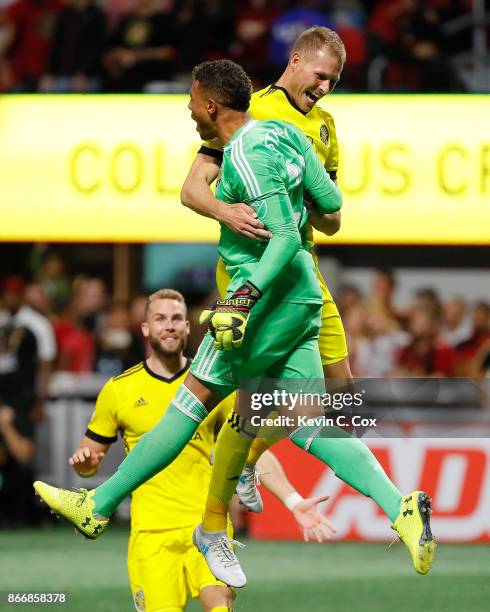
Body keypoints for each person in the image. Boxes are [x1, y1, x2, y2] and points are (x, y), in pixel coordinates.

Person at [34, 59, 434, 589]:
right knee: (312, 425)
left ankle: (100, 504)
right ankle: (399, 504)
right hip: (305, 301)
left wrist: (242, 297)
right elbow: (332, 203)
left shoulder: (242, 155)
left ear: (212, 105)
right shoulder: (284, 135)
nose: (190, 110)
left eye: (192, 102)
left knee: (188, 404)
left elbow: (286, 241)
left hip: (264, 308)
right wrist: (288, 206)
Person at [179, 28, 433, 578]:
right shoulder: (253, 111)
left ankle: (246, 460)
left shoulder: (325, 126)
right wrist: (228, 214)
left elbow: (333, 219)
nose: (324, 88)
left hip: (306, 271)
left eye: (335, 82)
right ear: (295, 62)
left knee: (336, 400)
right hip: (266, 278)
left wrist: (306, 192)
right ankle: (224, 491)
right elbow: (192, 187)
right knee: (248, 395)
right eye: (319, 76)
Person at [68, 288, 333, 611]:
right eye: (160, 319)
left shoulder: (213, 384)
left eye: (177, 318)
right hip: (151, 533)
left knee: (218, 604)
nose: (170, 326)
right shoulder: (118, 390)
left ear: (188, 327)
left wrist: (292, 501)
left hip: (207, 529)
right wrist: (85, 462)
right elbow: (89, 459)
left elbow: (247, 449)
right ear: (146, 328)